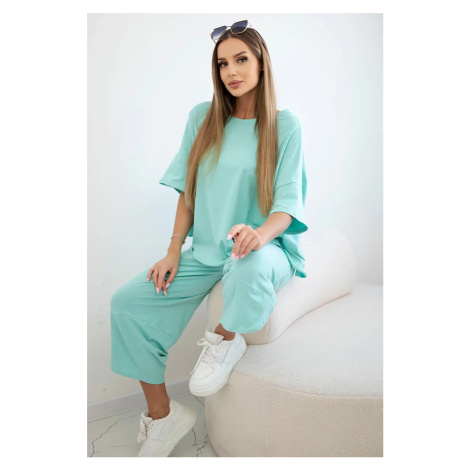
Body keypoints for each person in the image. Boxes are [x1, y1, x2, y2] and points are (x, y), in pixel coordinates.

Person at [109, 19, 308, 457]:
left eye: (241, 59)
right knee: (128, 303)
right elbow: (188, 191)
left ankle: (225, 339)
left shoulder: (285, 126)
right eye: (222, 64)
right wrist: (172, 250)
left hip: (265, 248)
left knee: (248, 262)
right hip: (205, 250)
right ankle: (163, 417)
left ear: (261, 63)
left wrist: (259, 233)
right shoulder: (202, 118)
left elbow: (287, 205)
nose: (231, 71)